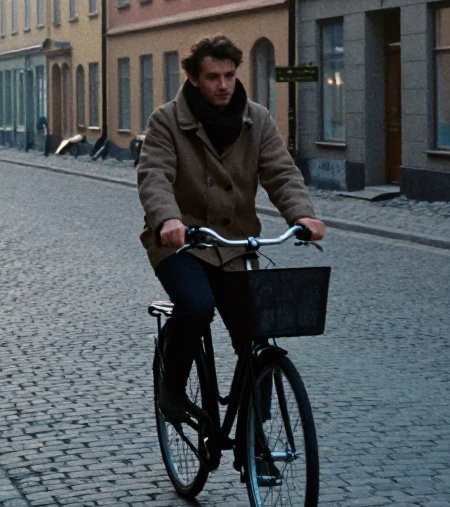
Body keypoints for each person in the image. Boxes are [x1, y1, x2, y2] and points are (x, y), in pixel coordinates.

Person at [137, 34, 325, 430]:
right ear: (193, 79)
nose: (223, 85)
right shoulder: (166, 120)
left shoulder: (256, 119)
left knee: (257, 335)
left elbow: (280, 171)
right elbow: (154, 175)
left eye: (229, 75)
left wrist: (303, 215)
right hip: (182, 244)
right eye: (212, 77)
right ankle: (171, 390)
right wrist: (168, 219)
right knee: (197, 305)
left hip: (236, 244)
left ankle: (254, 431)